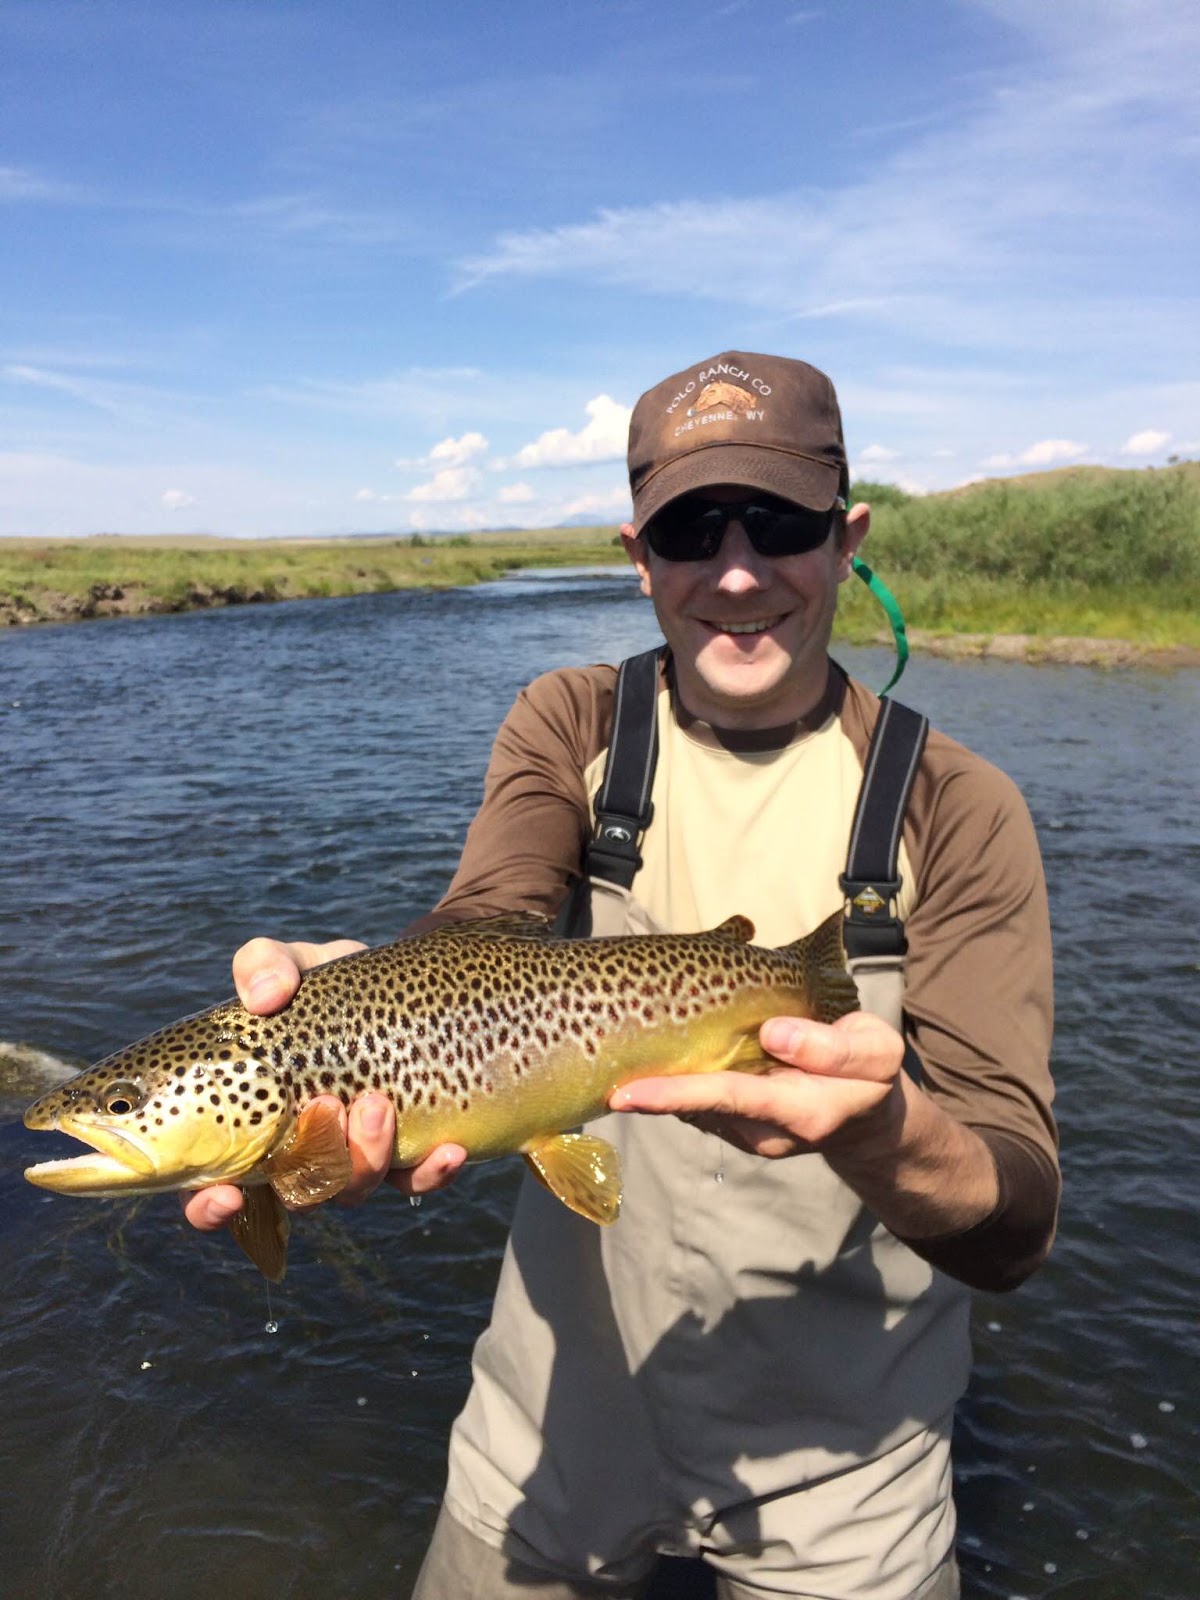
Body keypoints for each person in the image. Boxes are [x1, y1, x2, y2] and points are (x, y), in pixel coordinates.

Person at [184, 351, 1058, 1599]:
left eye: (784, 522)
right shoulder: (572, 723)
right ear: (638, 554)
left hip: (846, 1481)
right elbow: (492, 911)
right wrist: (367, 991)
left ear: (849, 532)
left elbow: (1016, 1219)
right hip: (550, 1429)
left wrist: (883, 1128)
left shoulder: (960, 808)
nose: (739, 569)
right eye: (694, 528)